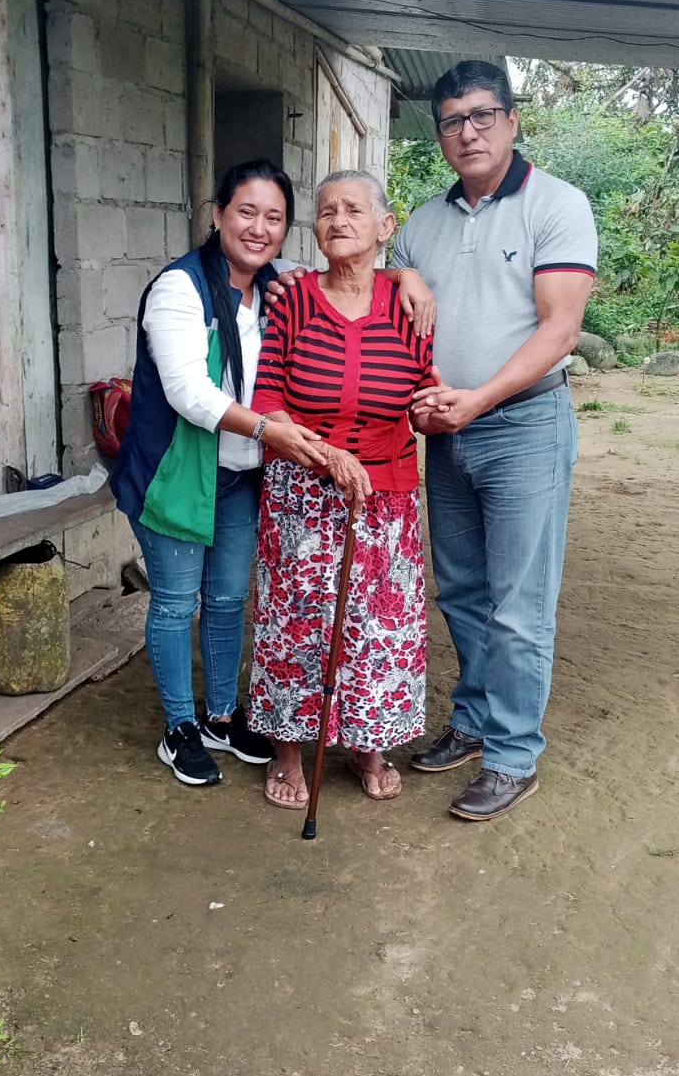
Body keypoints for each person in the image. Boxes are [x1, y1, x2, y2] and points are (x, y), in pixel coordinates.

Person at [393, 60, 597, 821]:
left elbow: (561, 328)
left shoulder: (556, 204)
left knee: (519, 603)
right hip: (447, 435)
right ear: (439, 134)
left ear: (512, 121)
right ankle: (475, 721)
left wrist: (476, 400)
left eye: (483, 116)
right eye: (452, 120)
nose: (468, 132)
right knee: (463, 591)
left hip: (522, 428)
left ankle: (513, 755)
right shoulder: (424, 222)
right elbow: (386, 286)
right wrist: (400, 274)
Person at [111, 160, 324, 787]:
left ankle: (221, 718)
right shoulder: (181, 288)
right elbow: (188, 391)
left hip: (239, 475)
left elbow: (349, 280)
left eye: (274, 218)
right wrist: (268, 432)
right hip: (176, 472)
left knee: (228, 599)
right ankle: (180, 727)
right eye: (246, 212)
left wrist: (404, 276)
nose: (259, 228)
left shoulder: (280, 285)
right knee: (177, 603)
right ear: (218, 215)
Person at [247, 170, 433, 809]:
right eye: (327, 211)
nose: (338, 220)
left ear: (385, 227)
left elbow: (422, 390)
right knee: (298, 621)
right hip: (301, 491)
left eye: (354, 209)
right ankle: (288, 749)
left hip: (387, 493)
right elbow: (267, 399)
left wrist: (435, 408)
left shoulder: (408, 305)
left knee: (376, 624)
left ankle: (367, 742)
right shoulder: (293, 300)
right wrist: (328, 456)